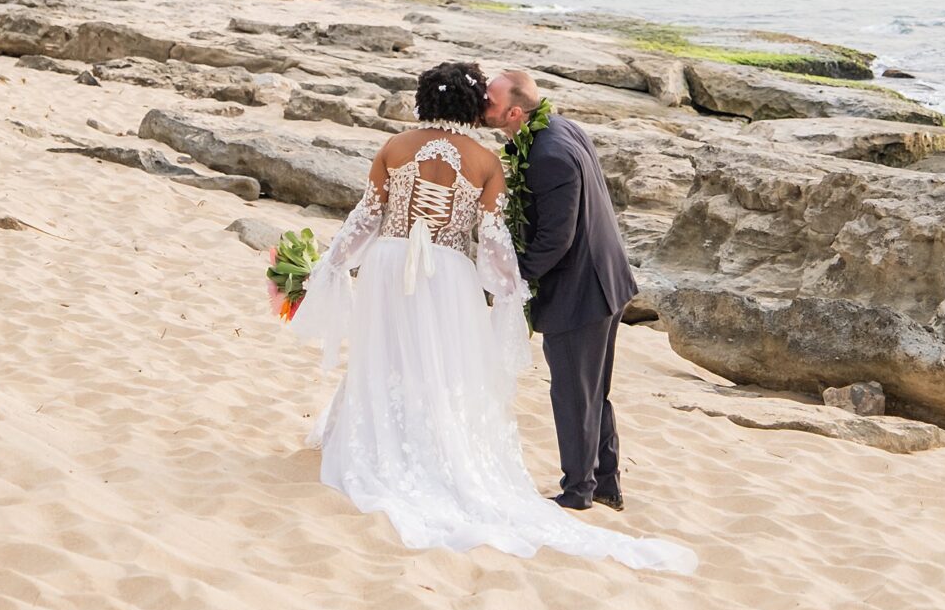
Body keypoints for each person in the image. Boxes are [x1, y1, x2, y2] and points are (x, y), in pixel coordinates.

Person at [285, 60, 696, 572]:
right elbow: (496, 243)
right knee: (445, 364)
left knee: (384, 352)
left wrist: (331, 264)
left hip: (388, 268)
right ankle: (586, 481)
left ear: (423, 102)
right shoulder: (485, 161)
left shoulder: (393, 148)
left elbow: (365, 219)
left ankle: (589, 483)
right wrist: (505, 289)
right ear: (472, 107)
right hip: (449, 275)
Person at [485, 69, 638, 511]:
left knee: (573, 394)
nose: (483, 105)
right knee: (592, 392)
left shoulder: (549, 154)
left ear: (515, 111)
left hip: (582, 290)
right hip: (606, 277)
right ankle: (606, 484)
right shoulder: (560, 127)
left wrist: (512, 283)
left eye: (490, 101)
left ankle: (578, 493)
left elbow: (556, 238)